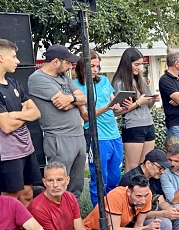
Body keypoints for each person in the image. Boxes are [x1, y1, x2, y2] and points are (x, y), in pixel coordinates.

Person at [0, 38, 42, 202]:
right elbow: (5, 126)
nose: (17, 61)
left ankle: (25, 228)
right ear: (0, 58)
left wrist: (12, 114)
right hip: (7, 151)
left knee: (28, 192)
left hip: (26, 147)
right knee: (11, 196)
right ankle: (10, 228)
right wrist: (21, 113)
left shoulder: (14, 82)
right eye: (13, 56)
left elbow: (36, 112)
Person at [27, 44, 87, 198]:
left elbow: (83, 98)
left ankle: (73, 217)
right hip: (59, 137)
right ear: (55, 61)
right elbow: (63, 105)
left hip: (78, 135)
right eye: (67, 63)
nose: (70, 66)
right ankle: (57, 220)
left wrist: (71, 98)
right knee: (58, 184)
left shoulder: (63, 77)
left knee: (76, 185)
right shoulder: (37, 78)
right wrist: (75, 99)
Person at [74, 51, 123, 206]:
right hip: (97, 136)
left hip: (114, 134)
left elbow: (114, 105)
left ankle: (113, 211)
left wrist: (121, 105)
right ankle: (98, 218)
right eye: (92, 66)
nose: (95, 69)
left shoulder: (103, 81)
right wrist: (108, 107)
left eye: (97, 66)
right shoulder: (76, 85)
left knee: (115, 177)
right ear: (82, 66)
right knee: (99, 178)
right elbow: (86, 115)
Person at [83, 174, 160, 230]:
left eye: (145, 195)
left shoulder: (147, 194)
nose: (143, 201)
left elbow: (138, 225)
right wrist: (146, 228)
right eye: (138, 196)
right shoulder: (116, 196)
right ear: (129, 192)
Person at [113, 47, 159, 170]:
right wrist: (137, 103)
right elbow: (116, 111)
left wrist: (152, 100)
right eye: (136, 64)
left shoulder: (141, 80)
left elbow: (146, 104)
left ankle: (143, 189)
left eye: (141, 64)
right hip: (133, 126)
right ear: (128, 64)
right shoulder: (119, 83)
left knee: (145, 165)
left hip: (148, 123)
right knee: (132, 166)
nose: (139, 68)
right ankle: (127, 189)